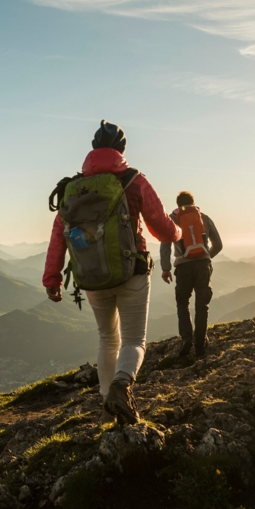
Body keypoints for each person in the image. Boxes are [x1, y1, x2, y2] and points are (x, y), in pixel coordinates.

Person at [43, 120, 182, 425]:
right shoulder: (134, 180)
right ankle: (122, 385)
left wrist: (52, 279)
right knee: (134, 340)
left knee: (107, 338)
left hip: (91, 276)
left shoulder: (72, 188)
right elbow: (161, 226)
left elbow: (58, 237)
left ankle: (107, 410)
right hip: (131, 272)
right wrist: (178, 232)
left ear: (93, 150)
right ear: (121, 150)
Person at [160, 191, 223, 357]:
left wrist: (165, 268)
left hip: (183, 267)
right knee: (202, 305)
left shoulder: (172, 220)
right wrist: (206, 257)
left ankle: (186, 338)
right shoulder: (204, 218)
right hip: (203, 266)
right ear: (192, 202)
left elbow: (165, 246)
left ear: (178, 204)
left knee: (183, 302)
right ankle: (200, 343)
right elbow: (219, 244)